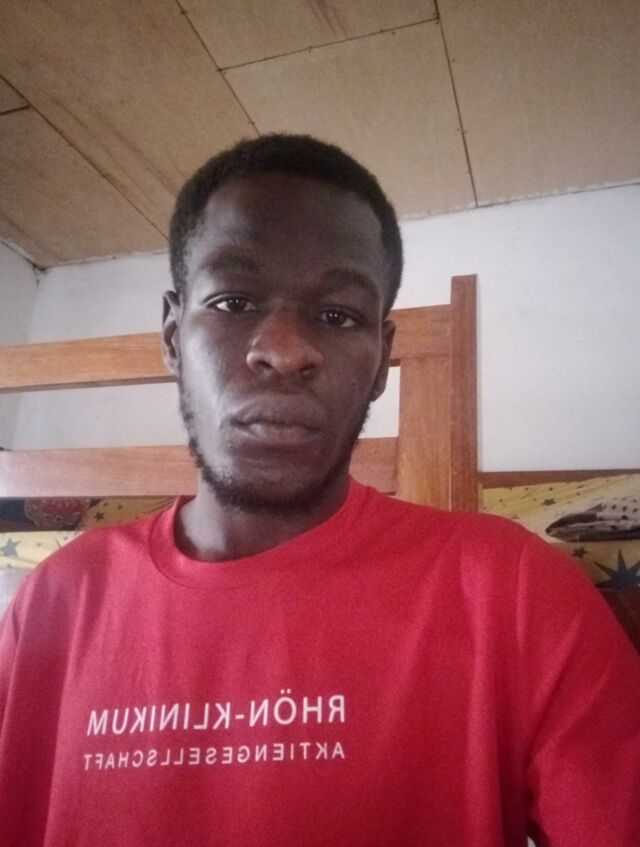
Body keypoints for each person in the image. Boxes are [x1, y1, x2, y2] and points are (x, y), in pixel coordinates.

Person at [1, 134, 639, 847]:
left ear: (381, 363)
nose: (284, 350)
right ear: (174, 337)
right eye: (235, 300)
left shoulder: (517, 592)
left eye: (337, 316)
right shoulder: (53, 604)